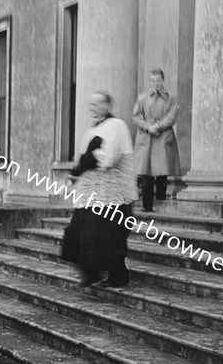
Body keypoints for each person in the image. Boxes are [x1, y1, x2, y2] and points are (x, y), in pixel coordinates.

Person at [62, 91, 138, 288]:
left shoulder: (117, 126)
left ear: (108, 106)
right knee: (77, 234)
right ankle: (91, 273)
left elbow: (107, 159)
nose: (92, 108)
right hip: (90, 194)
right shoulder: (92, 129)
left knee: (109, 236)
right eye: (90, 104)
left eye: (97, 104)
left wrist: (86, 160)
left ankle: (117, 276)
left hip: (112, 195)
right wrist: (77, 172)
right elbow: (83, 158)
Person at [132, 69, 181, 212]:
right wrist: (148, 127)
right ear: (150, 81)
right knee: (146, 171)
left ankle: (161, 204)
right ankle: (147, 206)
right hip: (147, 137)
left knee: (162, 171)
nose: (156, 83)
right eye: (153, 80)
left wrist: (158, 126)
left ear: (163, 80)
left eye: (158, 80)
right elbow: (136, 117)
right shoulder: (142, 98)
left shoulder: (172, 98)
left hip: (163, 135)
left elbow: (172, 115)